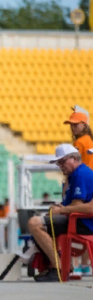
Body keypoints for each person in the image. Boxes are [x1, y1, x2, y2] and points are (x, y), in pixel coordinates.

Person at [27, 144, 93, 282]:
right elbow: (76, 204)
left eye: (62, 161)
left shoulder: (80, 174)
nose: (60, 165)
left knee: (34, 223)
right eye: (58, 163)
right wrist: (62, 207)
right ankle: (59, 265)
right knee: (45, 221)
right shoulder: (75, 175)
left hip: (82, 222)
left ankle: (58, 268)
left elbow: (80, 205)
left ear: (74, 158)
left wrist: (62, 210)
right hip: (79, 219)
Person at [64, 108, 93, 276]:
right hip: (90, 183)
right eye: (71, 125)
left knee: (72, 222)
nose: (72, 128)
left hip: (83, 184)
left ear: (84, 124)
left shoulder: (79, 143)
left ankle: (73, 263)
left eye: (75, 125)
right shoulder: (89, 140)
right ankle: (84, 263)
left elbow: (74, 170)